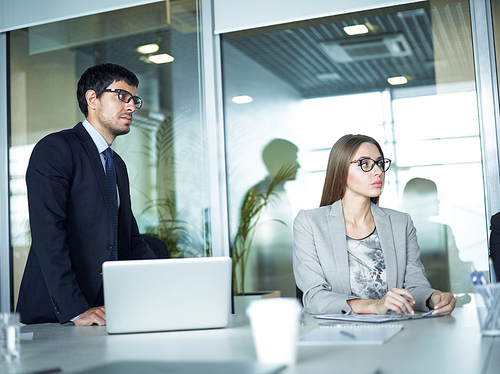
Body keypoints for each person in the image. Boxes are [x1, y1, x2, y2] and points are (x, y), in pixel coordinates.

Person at [16, 63, 156, 325]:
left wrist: (166, 279)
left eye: (134, 100)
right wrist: (75, 310)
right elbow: (49, 235)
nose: (132, 106)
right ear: (93, 98)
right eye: (122, 96)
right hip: (57, 315)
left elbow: (129, 237)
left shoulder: (117, 165)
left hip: (106, 308)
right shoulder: (56, 149)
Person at [293, 134, 456, 316]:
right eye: (365, 164)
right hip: (338, 334)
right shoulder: (309, 223)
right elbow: (314, 298)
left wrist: (433, 298)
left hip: (396, 332)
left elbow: (415, 286)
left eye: (379, 163)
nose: (377, 171)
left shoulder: (401, 223)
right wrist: (374, 306)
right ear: (340, 171)